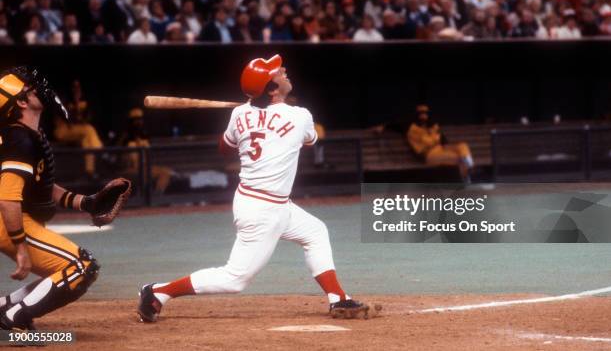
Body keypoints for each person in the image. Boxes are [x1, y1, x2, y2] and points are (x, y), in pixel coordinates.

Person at [137, 55, 373, 322]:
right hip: (262, 210)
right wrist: (258, 117)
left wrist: (247, 118)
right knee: (235, 279)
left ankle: (338, 299)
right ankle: (157, 292)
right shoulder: (300, 116)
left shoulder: (239, 113)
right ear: (272, 90)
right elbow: (309, 142)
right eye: (277, 72)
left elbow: (224, 148)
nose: (284, 70)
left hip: (268, 202)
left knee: (315, 232)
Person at [0, 66, 129, 330]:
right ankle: (14, 318)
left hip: (16, 219)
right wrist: (20, 247)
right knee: (82, 266)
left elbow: (42, 186)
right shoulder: (19, 139)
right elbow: (7, 199)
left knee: (65, 271)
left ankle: (5, 307)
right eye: (30, 89)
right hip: (9, 221)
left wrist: (86, 202)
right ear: (22, 102)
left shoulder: (28, 136)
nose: (40, 89)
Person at [53, 80, 104, 178]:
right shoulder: (64, 100)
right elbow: (70, 120)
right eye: (74, 87)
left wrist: (80, 108)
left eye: (78, 87)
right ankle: (101, 152)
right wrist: (76, 104)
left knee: (87, 140)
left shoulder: (83, 101)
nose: (76, 90)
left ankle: (89, 171)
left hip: (74, 130)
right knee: (88, 129)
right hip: (62, 130)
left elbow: (87, 118)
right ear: (70, 89)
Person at [407, 104, 473, 179]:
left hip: (441, 148)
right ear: (416, 115)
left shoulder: (433, 126)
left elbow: (443, 140)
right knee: (458, 158)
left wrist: (444, 143)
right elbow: (428, 143)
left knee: (462, 145)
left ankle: (469, 162)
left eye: (425, 113)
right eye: (421, 113)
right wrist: (434, 134)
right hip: (428, 155)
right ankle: (465, 177)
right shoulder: (413, 130)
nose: (423, 116)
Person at [120, 108, 172, 194]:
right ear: (130, 122)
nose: (138, 122)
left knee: (165, 172)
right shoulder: (125, 138)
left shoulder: (144, 136)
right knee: (143, 174)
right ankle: (143, 198)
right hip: (128, 169)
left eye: (140, 119)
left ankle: (156, 197)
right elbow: (120, 160)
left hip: (144, 168)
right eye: (135, 120)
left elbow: (149, 157)